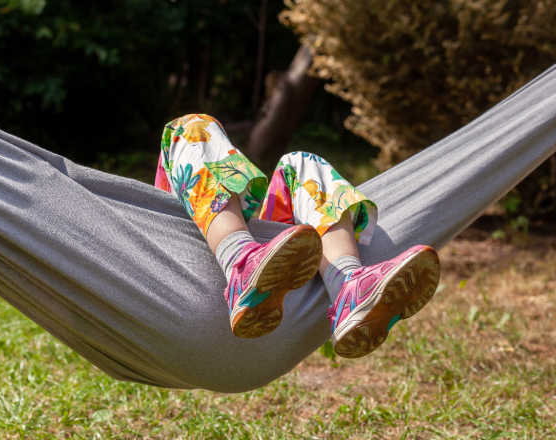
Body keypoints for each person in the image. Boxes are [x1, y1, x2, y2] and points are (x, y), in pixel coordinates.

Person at [155, 114, 440, 358]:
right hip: (176, 264)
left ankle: (349, 286)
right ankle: (239, 260)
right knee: (192, 127)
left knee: (302, 163)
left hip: (268, 265)